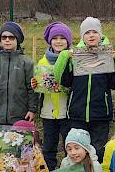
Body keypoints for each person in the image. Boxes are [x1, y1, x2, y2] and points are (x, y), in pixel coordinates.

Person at [54, 17, 115, 162]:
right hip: (77, 114)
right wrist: (64, 57)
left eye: (95, 32)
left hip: (100, 114)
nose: (91, 35)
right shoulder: (74, 55)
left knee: (98, 151)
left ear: (100, 35)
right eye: (87, 33)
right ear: (83, 36)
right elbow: (63, 80)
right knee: (76, 151)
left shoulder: (108, 55)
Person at [32, 22, 72, 170]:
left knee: (69, 145)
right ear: (50, 41)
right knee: (49, 147)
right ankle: (50, 168)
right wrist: (36, 84)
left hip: (67, 112)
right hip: (48, 113)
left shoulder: (72, 59)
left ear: (68, 41)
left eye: (62, 38)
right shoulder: (42, 61)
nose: (59, 41)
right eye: (55, 38)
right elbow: (41, 84)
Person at [0, 21, 38, 126]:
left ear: (18, 39)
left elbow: (32, 89)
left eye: (11, 37)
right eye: (4, 37)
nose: (7, 40)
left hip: (21, 117)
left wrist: (32, 109)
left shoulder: (28, 63)